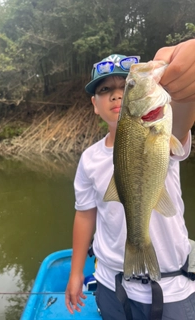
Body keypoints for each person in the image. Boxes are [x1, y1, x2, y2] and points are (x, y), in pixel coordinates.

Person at [65, 39, 195, 320]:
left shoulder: (161, 129)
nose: (116, 95)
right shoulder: (89, 159)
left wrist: (186, 92)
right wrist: (76, 273)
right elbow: (85, 215)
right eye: (105, 90)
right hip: (111, 285)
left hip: (170, 286)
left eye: (127, 87)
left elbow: (182, 120)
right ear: (94, 105)